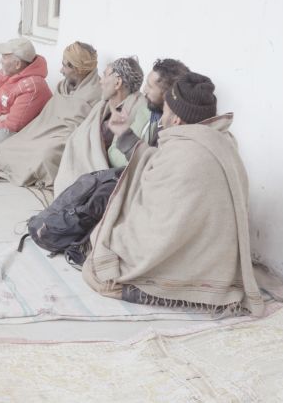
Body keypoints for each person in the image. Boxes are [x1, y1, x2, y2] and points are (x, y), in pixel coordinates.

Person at [82, 72, 264, 316]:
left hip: (182, 257)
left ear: (176, 119)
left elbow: (153, 219)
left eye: (166, 109)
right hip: (216, 258)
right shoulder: (222, 141)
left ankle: (164, 286)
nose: (163, 115)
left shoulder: (184, 153)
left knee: (106, 241)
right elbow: (155, 163)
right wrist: (125, 135)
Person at [0, 41, 101, 187]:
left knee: (45, 155)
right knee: (4, 147)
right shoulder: (64, 85)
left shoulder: (97, 93)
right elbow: (46, 118)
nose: (61, 70)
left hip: (66, 141)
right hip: (43, 133)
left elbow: (83, 131)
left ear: (78, 69)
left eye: (65, 66)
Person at [54, 56, 147, 196]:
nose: (100, 81)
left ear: (117, 82)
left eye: (104, 75)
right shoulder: (103, 105)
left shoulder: (136, 111)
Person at [108, 58, 189, 162]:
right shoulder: (146, 110)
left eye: (150, 86)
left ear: (167, 94)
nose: (144, 90)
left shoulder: (175, 127)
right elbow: (114, 155)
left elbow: (129, 163)